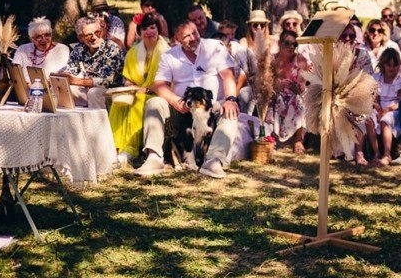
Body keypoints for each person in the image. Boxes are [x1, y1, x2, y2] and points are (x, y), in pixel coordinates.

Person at [133, 19, 244, 178]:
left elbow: (228, 76)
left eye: (195, 33)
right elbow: (159, 85)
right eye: (186, 36)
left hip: (211, 107)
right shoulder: (170, 56)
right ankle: (154, 157)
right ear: (177, 39)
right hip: (183, 107)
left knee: (231, 112)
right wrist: (175, 101)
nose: (193, 38)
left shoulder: (214, 48)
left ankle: (213, 161)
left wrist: (231, 99)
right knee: (154, 103)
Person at [113, 13, 167, 163]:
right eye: (144, 29)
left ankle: (130, 148)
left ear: (158, 29)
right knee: (118, 102)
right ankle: (115, 146)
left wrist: (146, 90)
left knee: (138, 100)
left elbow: (168, 82)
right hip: (136, 91)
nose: (149, 32)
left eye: (152, 27)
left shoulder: (167, 52)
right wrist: (133, 88)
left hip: (158, 93)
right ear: (139, 32)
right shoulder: (132, 53)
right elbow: (128, 79)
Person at [62, 15, 125, 108]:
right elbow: (71, 70)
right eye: (88, 35)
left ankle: (98, 122)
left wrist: (75, 81)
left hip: (111, 91)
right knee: (65, 90)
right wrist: (60, 78)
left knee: (93, 93)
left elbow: (105, 81)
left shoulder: (112, 49)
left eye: (97, 32)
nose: (94, 37)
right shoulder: (79, 49)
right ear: (80, 38)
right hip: (88, 89)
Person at [266, 30, 309, 155]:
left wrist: (294, 86)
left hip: (293, 95)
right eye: (287, 43)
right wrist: (276, 85)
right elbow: (265, 82)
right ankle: (270, 137)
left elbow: (301, 86)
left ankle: (299, 141)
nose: (290, 47)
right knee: (271, 99)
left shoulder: (300, 60)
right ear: (279, 43)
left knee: (300, 101)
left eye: (294, 44)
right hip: (274, 93)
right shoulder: (272, 59)